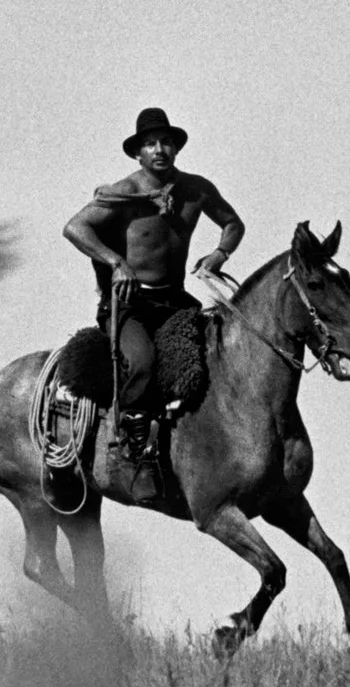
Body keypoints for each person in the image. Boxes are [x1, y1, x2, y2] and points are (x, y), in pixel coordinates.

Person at [62, 107, 245, 460]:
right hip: (130, 304)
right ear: (138, 152)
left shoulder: (197, 189)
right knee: (143, 362)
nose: (159, 149)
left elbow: (233, 223)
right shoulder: (125, 191)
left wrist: (220, 253)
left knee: (216, 356)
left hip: (175, 300)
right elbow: (74, 227)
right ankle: (129, 443)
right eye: (150, 144)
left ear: (176, 148)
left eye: (165, 142)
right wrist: (116, 263)